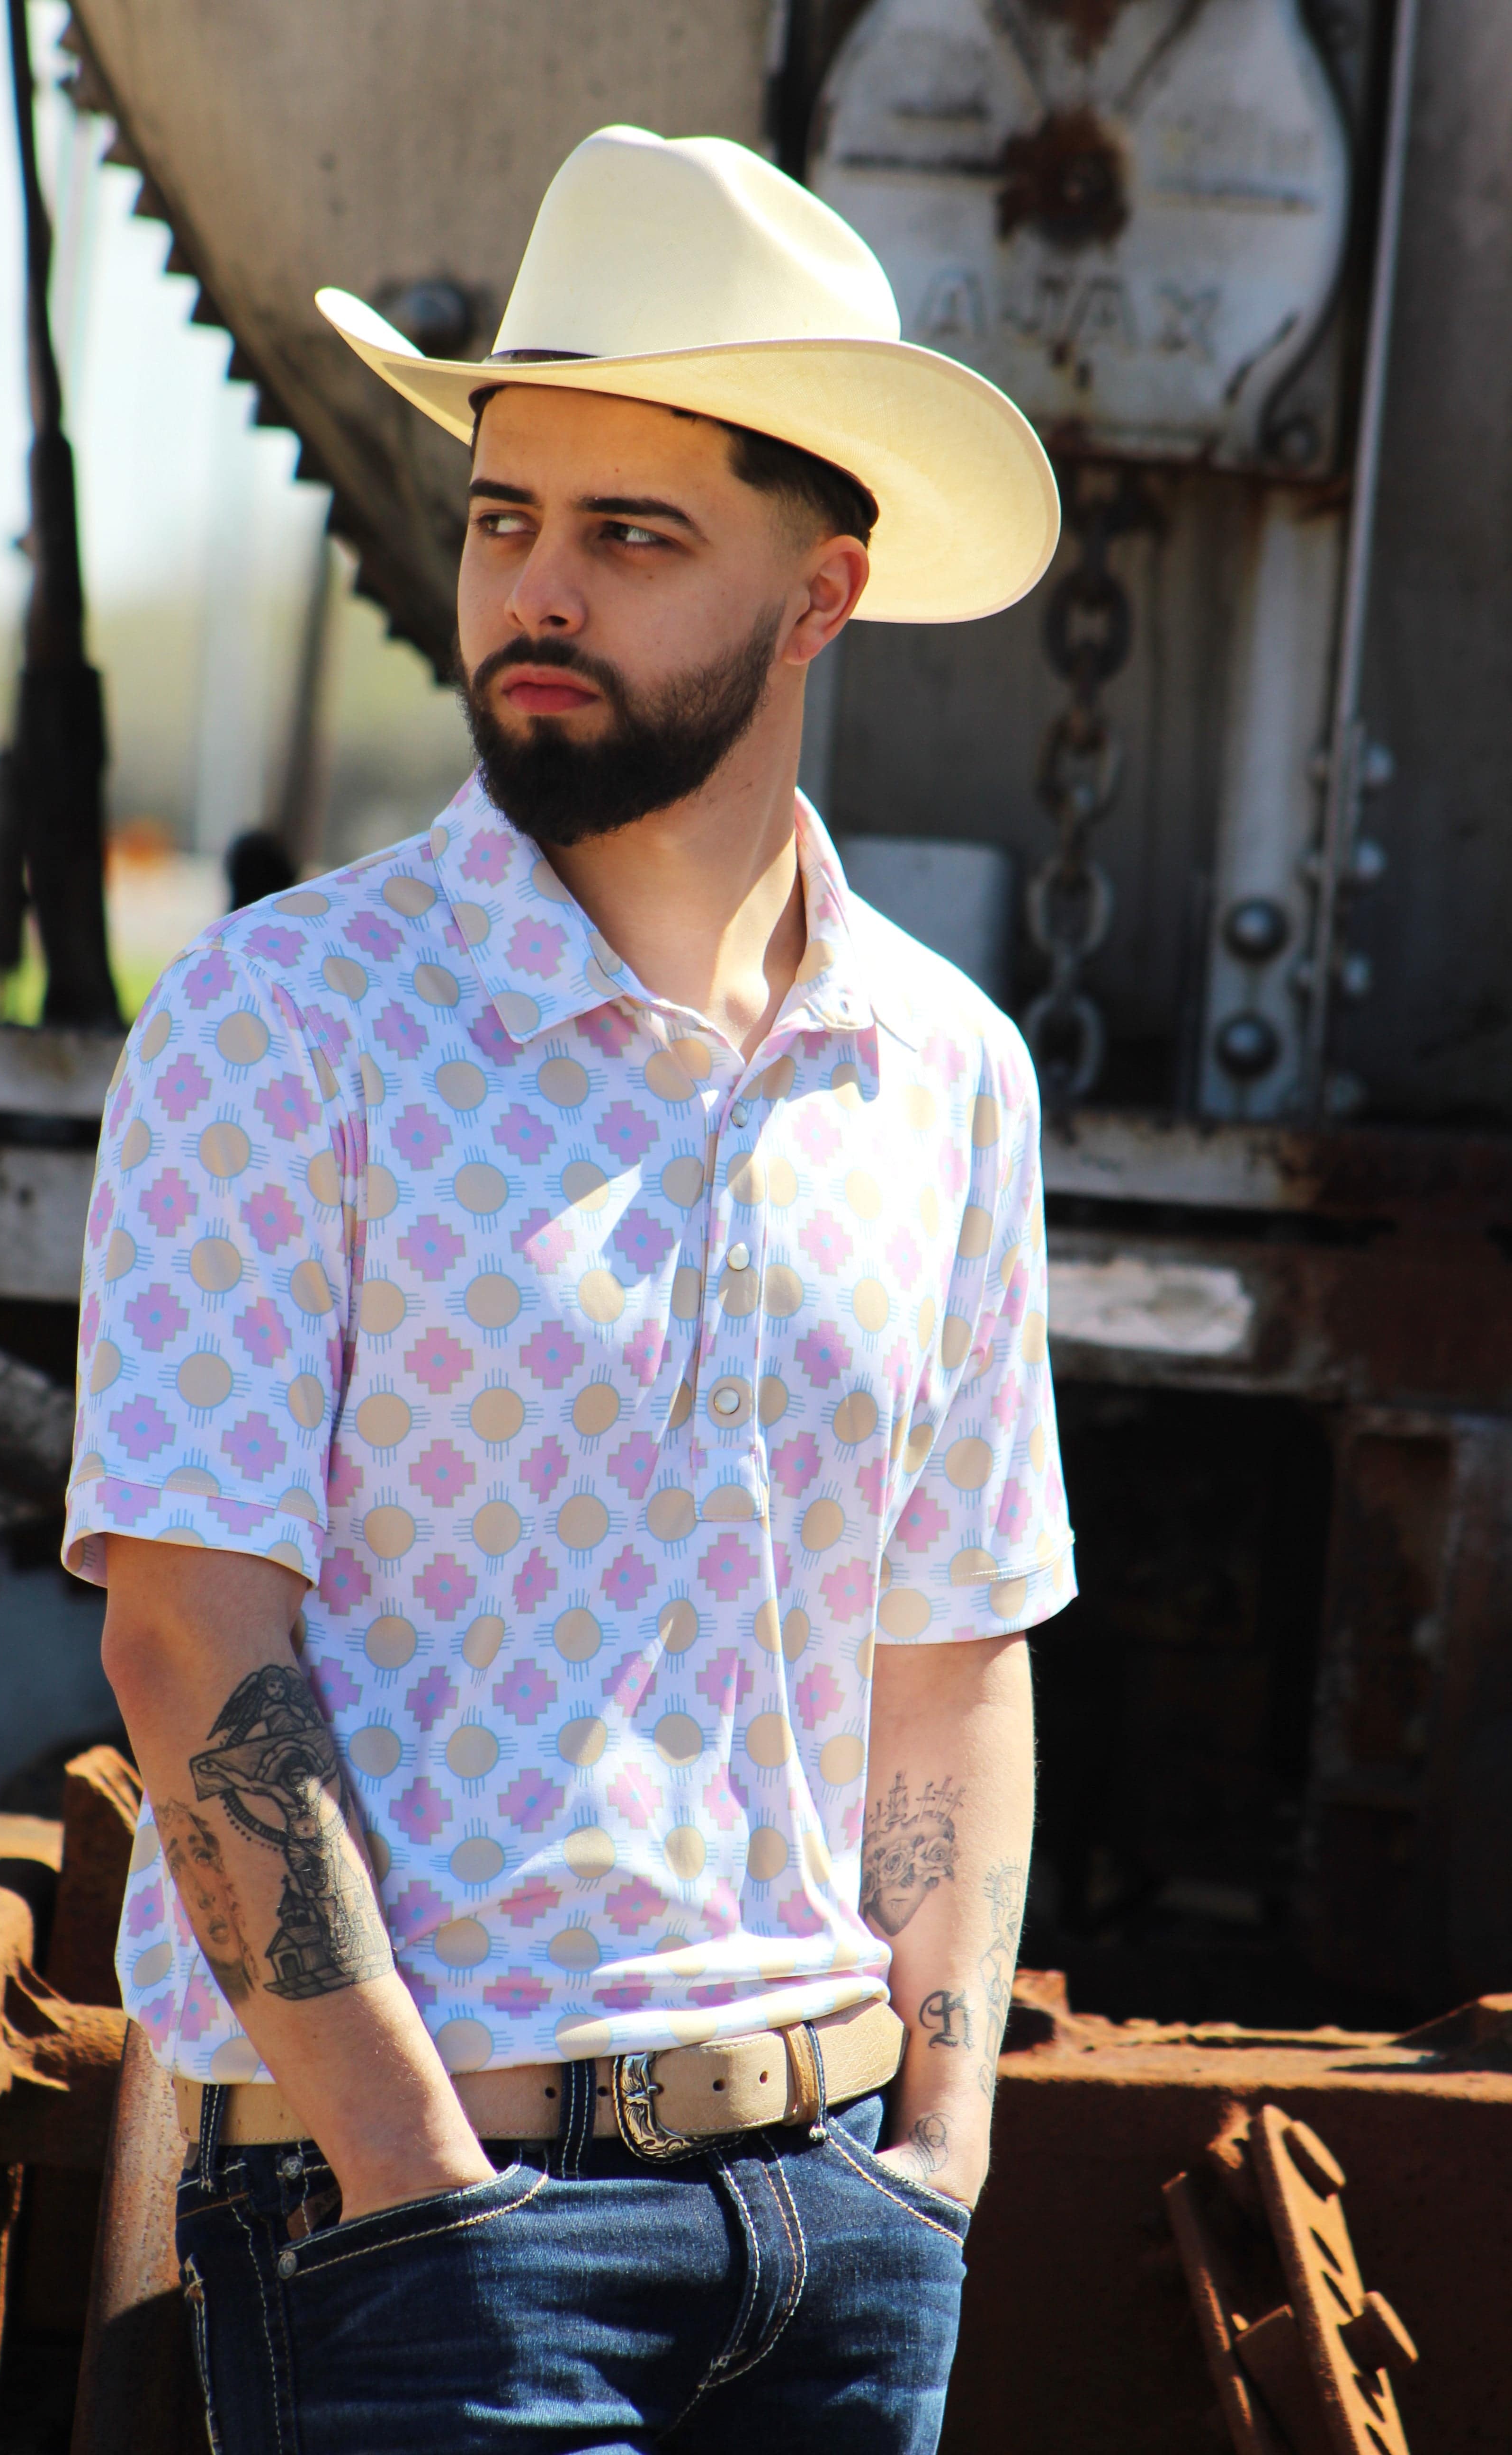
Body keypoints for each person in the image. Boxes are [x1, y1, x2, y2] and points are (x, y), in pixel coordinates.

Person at [68, 123, 1072, 2455]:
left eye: (634, 540)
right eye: (507, 517)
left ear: (818, 599)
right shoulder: (282, 1026)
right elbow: (185, 1630)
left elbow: (956, 1644)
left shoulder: (944, 1072)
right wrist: (417, 2176)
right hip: (433, 2235)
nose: (537, 589)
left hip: (843, 2233)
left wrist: (947, 2148)